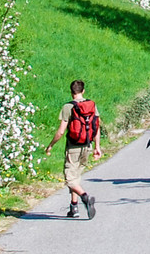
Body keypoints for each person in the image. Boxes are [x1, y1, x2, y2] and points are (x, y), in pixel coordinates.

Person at [45, 79, 102, 218]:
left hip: (73, 148)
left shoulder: (67, 107)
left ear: (71, 92)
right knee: (76, 177)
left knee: (69, 180)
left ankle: (86, 198)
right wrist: (97, 147)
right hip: (87, 146)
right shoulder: (91, 105)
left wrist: (50, 145)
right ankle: (74, 208)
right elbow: (97, 126)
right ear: (83, 91)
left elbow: (60, 132)